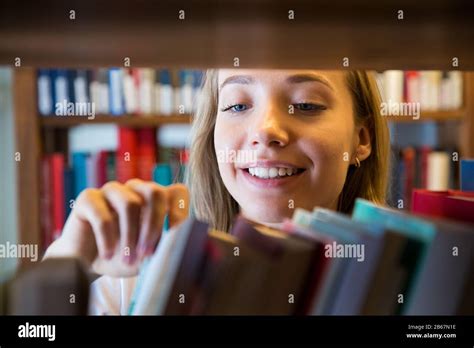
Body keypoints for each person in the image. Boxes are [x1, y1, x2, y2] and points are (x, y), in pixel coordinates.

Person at [44, 69, 391, 314]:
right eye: (238, 105)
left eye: (306, 105)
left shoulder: (406, 288)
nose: (266, 130)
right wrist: (64, 266)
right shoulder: (130, 288)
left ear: (361, 139)